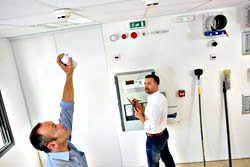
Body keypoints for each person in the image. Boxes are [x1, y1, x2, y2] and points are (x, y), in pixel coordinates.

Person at [29, 54, 88, 167]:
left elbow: (66, 107)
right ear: (52, 145)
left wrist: (69, 74)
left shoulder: (63, 141)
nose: (60, 124)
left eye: (54, 124)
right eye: (55, 127)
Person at [132, 74, 175, 167]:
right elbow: (149, 114)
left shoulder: (154, 103)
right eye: (145, 83)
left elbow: (153, 128)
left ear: (156, 85)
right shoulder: (158, 97)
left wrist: (139, 116)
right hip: (163, 134)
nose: (146, 86)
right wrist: (138, 106)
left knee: (153, 164)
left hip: (155, 138)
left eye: (149, 83)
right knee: (166, 157)